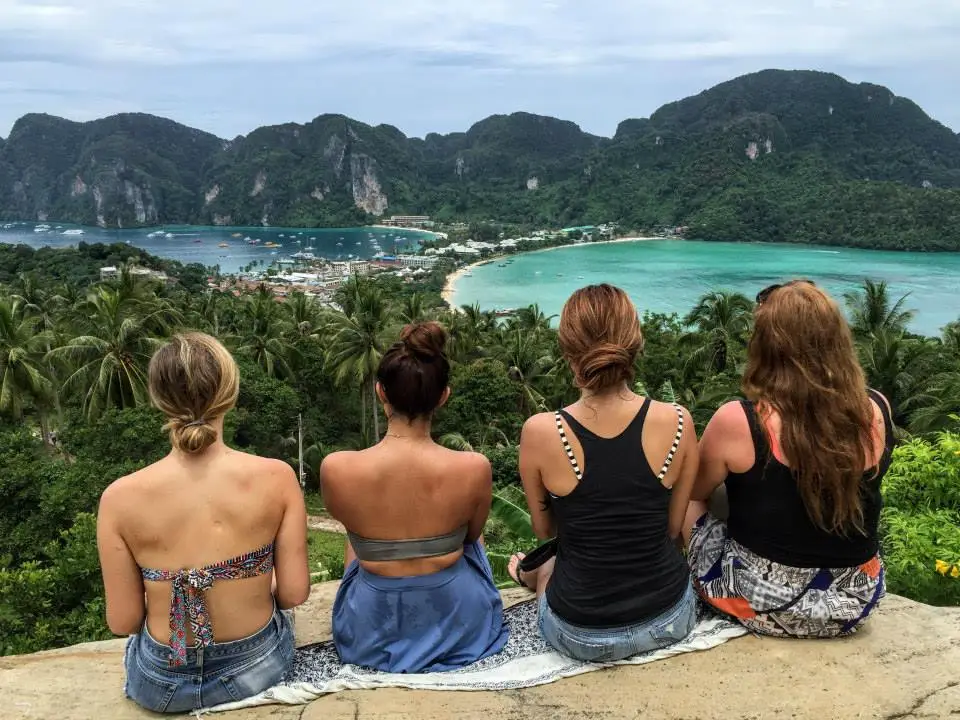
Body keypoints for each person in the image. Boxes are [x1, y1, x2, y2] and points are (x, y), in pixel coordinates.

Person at [97, 332, 309, 714]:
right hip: (256, 668)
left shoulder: (119, 497)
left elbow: (123, 620)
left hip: (159, 684)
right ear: (229, 392)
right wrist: (253, 580)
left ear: (159, 399)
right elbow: (293, 594)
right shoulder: (276, 477)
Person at [684, 280, 892, 638]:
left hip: (761, 602)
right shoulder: (876, 408)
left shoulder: (741, 420)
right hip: (853, 602)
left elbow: (696, 489)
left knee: (688, 499)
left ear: (766, 346)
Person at [510, 284, 699, 662]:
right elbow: (673, 526)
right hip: (670, 619)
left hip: (579, 634)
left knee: (545, 566)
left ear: (567, 351)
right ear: (635, 341)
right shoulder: (678, 421)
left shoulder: (541, 430)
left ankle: (528, 574)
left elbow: (545, 531)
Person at [321, 321, 508, 673]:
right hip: (456, 619)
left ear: (381, 392)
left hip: (368, 626)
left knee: (358, 531)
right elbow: (471, 539)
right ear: (443, 396)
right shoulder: (473, 468)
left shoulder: (337, 468)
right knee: (467, 530)